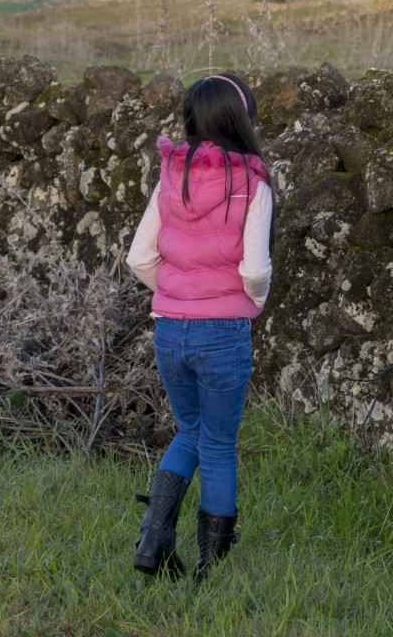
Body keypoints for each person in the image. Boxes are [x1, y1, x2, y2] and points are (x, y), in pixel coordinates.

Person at [125, 72, 274, 582]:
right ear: (242, 120)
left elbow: (139, 256)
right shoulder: (252, 184)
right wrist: (251, 303)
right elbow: (254, 271)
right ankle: (214, 568)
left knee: (188, 431)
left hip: (169, 330)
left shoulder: (171, 176)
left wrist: (175, 295)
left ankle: (153, 539)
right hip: (223, 333)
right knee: (217, 445)